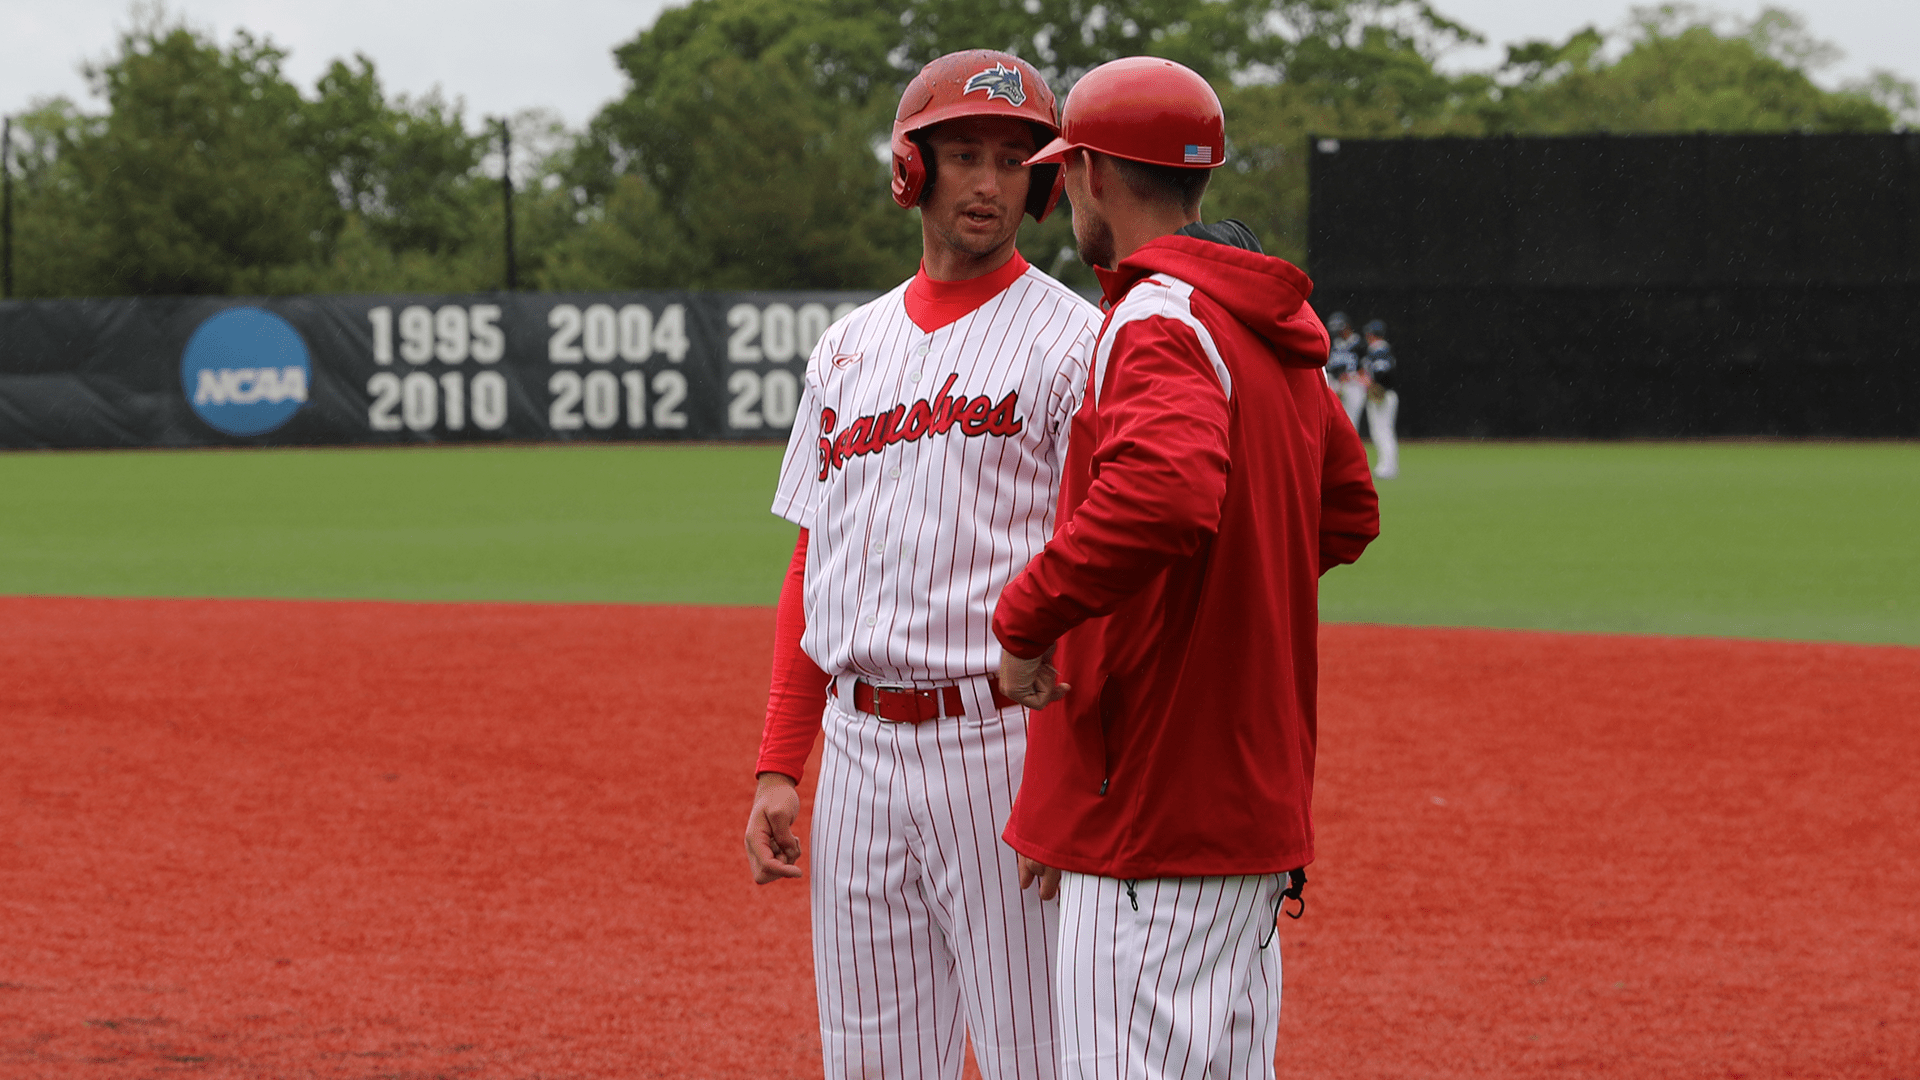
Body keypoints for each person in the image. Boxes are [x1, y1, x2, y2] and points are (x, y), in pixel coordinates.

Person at [988, 56, 1381, 1079]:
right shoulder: (1267, 328)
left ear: (1099, 177)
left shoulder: (1159, 317)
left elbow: (1161, 495)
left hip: (1154, 812)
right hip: (1247, 813)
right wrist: (1230, 594)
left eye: (1068, 171)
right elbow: (1346, 511)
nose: (1065, 191)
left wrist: (1024, 618)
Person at [741, 49, 1104, 1080]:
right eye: (963, 154)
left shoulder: (1076, 344)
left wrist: (1074, 779)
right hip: (856, 752)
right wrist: (780, 763)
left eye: (1013, 158)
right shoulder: (846, 348)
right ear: (913, 168)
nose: (988, 182)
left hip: (1005, 747)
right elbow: (815, 556)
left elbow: (1103, 573)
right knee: (872, 1064)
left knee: (1045, 1055)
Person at [1361, 318, 1400, 478]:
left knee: (1382, 430)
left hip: (1382, 395)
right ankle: (1387, 465)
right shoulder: (1380, 350)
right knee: (1382, 430)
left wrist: (1374, 384)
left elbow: (1382, 373)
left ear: (1371, 334)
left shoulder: (1379, 350)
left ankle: (1388, 467)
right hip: (1385, 394)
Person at [1324, 310, 1367, 428]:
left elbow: (1366, 369)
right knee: (1334, 422)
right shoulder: (1335, 344)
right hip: (1337, 384)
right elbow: (1329, 368)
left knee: (1351, 423)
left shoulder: (1359, 344)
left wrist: (1353, 376)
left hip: (1354, 385)